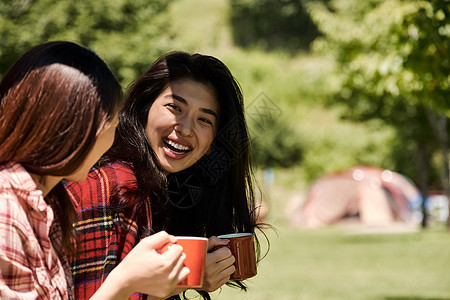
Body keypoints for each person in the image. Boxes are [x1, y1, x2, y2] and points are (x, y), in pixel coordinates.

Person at [65, 51, 264, 300]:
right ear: (145, 108)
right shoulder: (115, 184)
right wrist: (186, 279)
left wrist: (189, 276)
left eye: (204, 119)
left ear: (214, 142)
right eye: (174, 107)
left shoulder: (162, 190)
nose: (185, 129)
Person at [0, 41, 189, 300]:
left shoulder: (47, 205)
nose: (116, 134)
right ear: (69, 126)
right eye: (110, 122)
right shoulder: (6, 211)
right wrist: (124, 281)